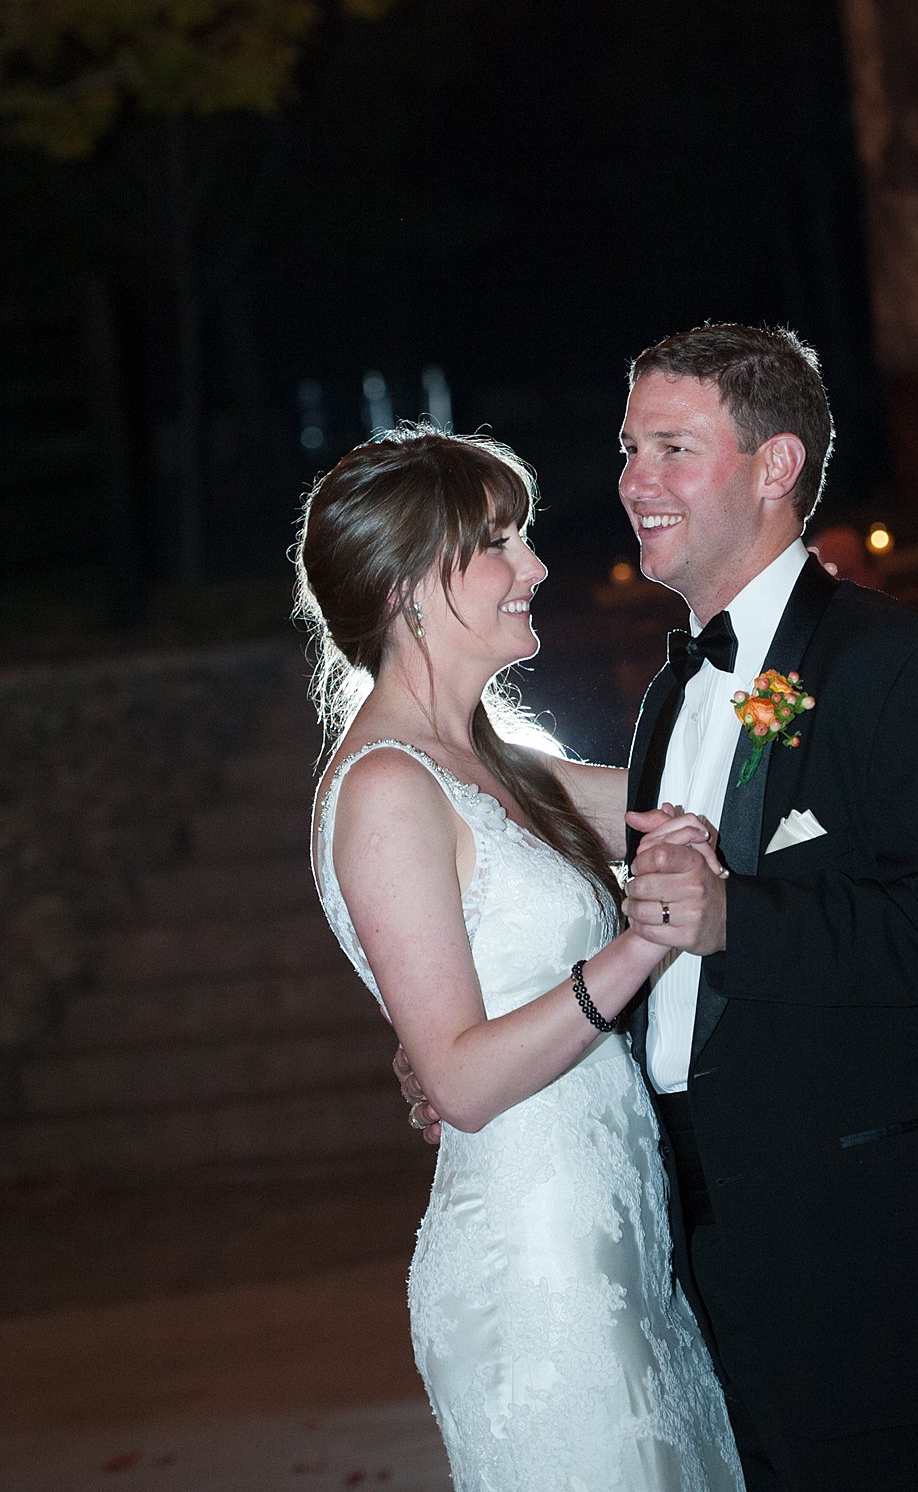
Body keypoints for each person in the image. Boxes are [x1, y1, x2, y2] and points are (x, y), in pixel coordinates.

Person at [609, 326, 918, 1489]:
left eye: (671, 446)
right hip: (700, 1241)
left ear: (774, 467)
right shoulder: (674, 685)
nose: (631, 480)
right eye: (627, 448)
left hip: (865, 1246)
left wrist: (739, 920)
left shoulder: (904, 667)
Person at [295, 425, 743, 1490]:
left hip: (613, 1232)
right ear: (410, 584)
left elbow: (689, 793)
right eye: (500, 540)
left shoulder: (496, 758)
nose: (536, 565)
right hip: (536, 1266)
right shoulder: (386, 788)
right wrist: (642, 941)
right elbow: (458, 1076)